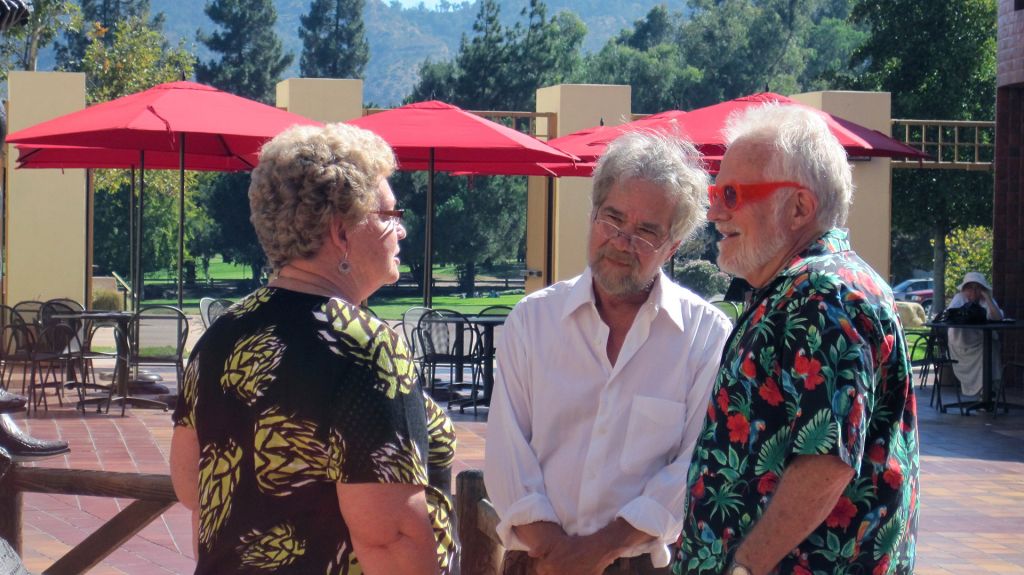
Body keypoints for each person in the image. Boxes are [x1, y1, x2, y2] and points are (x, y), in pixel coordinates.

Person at [169, 123, 455, 575]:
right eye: (389, 215)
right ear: (342, 232)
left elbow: (190, 486)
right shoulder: (364, 346)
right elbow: (393, 538)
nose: (401, 231)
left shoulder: (221, 335)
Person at [680, 104, 920, 575]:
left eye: (732, 193)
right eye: (715, 190)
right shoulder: (802, 289)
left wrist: (747, 565)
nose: (714, 210)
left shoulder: (821, 295)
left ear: (799, 208)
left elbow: (825, 460)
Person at [485, 131, 732, 575]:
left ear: (672, 247)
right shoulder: (532, 321)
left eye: (646, 231)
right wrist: (559, 557)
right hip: (538, 563)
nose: (622, 241)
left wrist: (595, 551)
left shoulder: (705, 336)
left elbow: (695, 467)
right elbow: (507, 454)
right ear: (592, 215)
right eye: (612, 220)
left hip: (640, 566)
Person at [946, 271, 1003, 398]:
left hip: (982, 341)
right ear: (965, 288)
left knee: (991, 348)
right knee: (986, 351)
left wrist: (987, 298)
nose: (973, 291)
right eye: (970, 287)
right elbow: (950, 317)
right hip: (962, 344)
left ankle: (987, 391)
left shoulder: (985, 300)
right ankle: (984, 392)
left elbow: (998, 317)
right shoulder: (959, 299)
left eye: (977, 288)